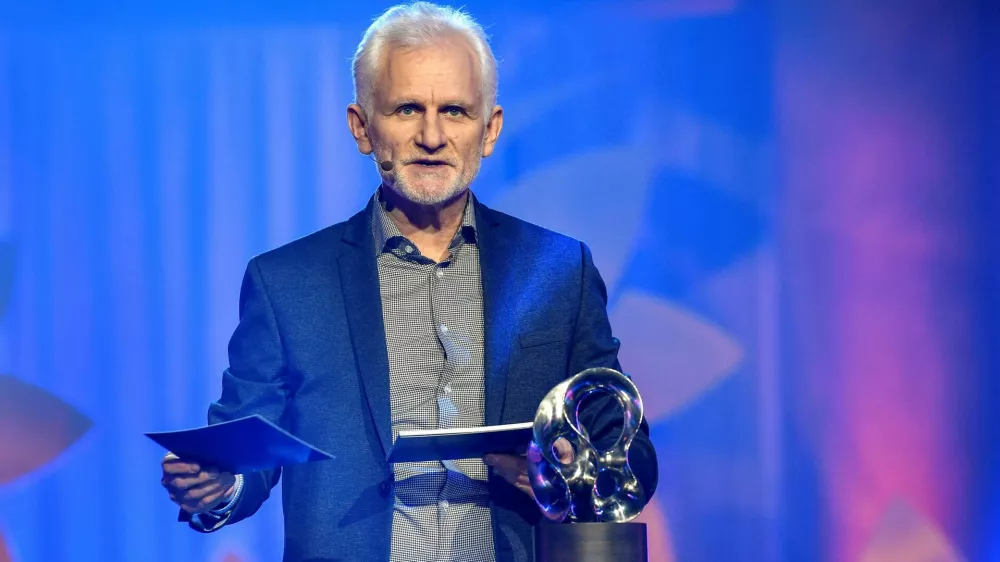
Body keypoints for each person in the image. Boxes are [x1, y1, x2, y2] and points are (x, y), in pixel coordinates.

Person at [160, 2, 658, 561]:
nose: (431, 135)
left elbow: (622, 442)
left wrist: (569, 470)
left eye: (454, 111)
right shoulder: (287, 283)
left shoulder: (558, 269)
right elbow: (243, 450)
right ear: (362, 127)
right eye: (405, 109)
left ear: (489, 130)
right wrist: (219, 487)